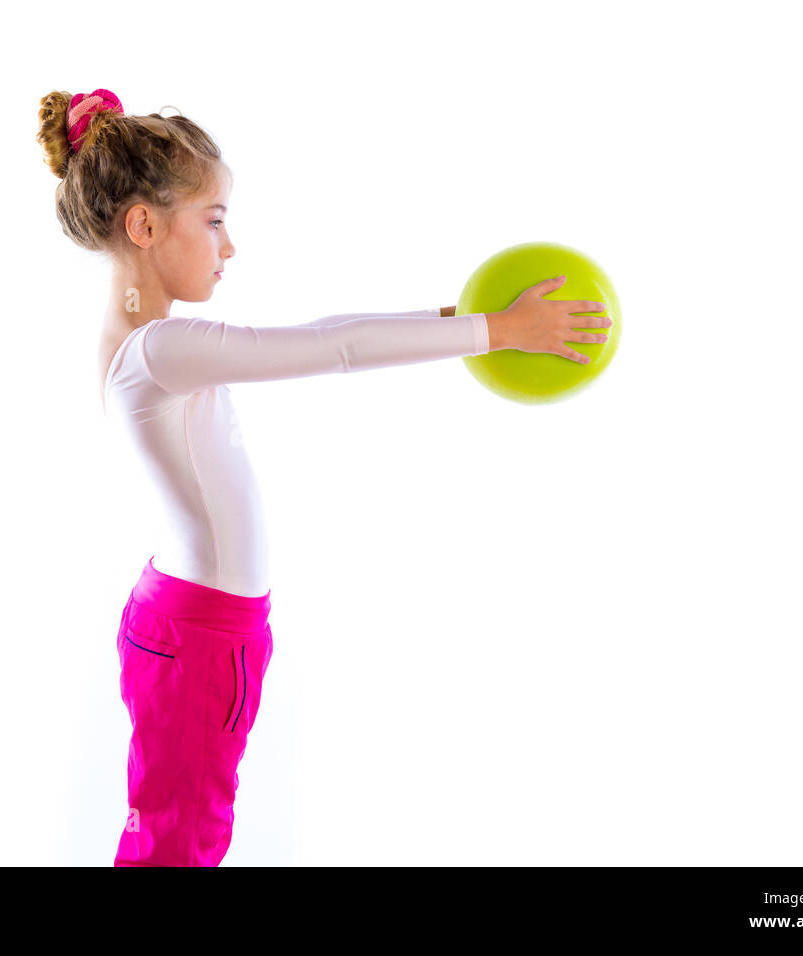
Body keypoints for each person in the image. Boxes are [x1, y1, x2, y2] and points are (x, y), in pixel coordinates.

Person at [35, 87, 612, 866]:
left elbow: (336, 337)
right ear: (144, 226)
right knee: (180, 842)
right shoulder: (162, 351)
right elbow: (333, 346)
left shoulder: (142, 337)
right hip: (200, 637)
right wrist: (496, 331)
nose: (228, 246)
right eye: (213, 221)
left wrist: (455, 320)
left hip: (188, 623)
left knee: (178, 830)